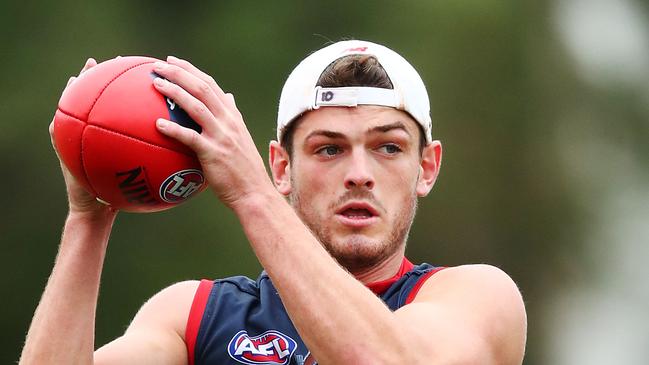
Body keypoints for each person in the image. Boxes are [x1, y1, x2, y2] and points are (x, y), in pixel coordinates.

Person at [20, 40, 527, 365]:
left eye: (388, 147)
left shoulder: (478, 299)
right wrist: (89, 218)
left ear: (427, 167)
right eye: (328, 148)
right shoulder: (196, 317)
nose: (358, 175)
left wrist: (251, 192)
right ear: (283, 167)